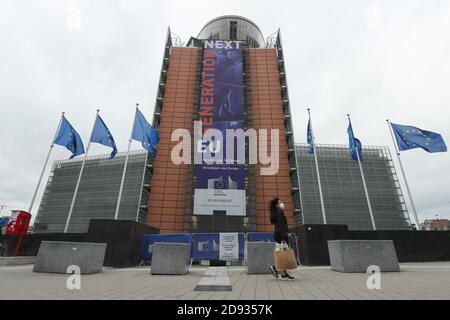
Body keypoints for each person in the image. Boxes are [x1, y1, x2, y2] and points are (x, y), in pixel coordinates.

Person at [269, 197, 295, 280]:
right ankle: (275, 268)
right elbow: (281, 226)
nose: (281, 203)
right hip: (281, 235)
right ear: (277, 204)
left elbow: (280, 225)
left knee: (283, 253)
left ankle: (284, 273)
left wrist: (286, 234)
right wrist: (284, 237)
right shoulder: (279, 212)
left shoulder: (275, 212)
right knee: (284, 254)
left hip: (278, 234)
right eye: (280, 202)